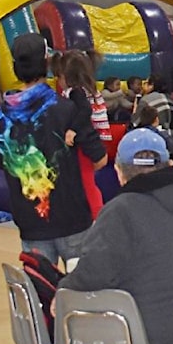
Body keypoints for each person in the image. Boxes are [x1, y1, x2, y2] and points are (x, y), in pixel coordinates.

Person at [31, 128, 173, 344]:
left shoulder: (121, 211)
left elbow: (93, 274)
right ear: (167, 165)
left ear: (119, 172)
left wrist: (64, 287)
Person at [0, 33, 107, 267]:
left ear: (15, 67)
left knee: (40, 295)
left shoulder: (1, 118)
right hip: (72, 218)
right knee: (79, 296)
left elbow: (1, 160)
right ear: (47, 64)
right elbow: (100, 158)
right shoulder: (68, 109)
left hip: (31, 221)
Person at [58, 50, 111, 219]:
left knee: (86, 181)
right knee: (84, 181)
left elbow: (85, 110)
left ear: (67, 76)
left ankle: (96, 215)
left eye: (59, 76)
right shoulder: (85, 90)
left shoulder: (76, 92)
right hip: (91, 142)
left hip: (85, 144)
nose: (58, 81)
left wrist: (72, 130)